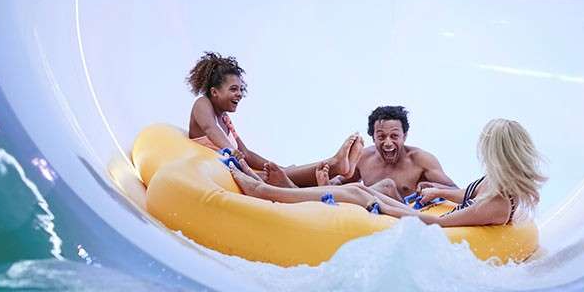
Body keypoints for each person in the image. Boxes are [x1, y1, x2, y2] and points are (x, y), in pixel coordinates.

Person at [230, 118, 547, 227]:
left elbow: (436, 224)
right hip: (425, 212)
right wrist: (439, 192)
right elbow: (465, 195)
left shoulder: (498, 204)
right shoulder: (496, 186)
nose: (387, 142)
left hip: (427, 226)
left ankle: (268, 192)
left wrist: (384, 207)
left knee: (362, 193)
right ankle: (284, 186)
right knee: (367, 188)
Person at [186, 52, 362, 187]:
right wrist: (231, 151)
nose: (239, 94)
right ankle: (336, 166)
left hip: (235, 168)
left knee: (284, 172)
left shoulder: (224, 119)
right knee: (277, 177)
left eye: (241, 89)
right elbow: (210, 128)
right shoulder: (202, 104)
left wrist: (276, 166)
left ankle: (334, 175)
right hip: (219, 172)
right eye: (233, 89)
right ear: (214, 91)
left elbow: (246, 153)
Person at [317, 106, 457, 201]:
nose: (388, 143)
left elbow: (454, 190)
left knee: (387, 186)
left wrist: (434, 187)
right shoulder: (364, 158)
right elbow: (341, 181)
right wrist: (327, 182)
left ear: (405, 136)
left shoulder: (421, 160)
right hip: (371, 215)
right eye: (381, 136)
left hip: (404, 216)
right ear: (373, 138)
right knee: (362, 187)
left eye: (394, 136)